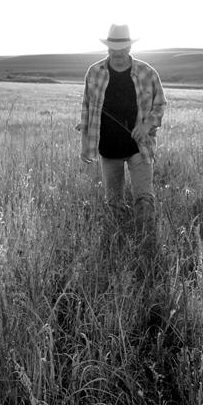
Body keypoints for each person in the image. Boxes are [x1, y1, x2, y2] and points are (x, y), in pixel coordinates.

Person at [77, 23, 167, 264]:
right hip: (108, 147)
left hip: (140, 147)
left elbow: (160, 105)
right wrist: (85, 143)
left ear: (129, 48)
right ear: (108, 48)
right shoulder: (94, 72)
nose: (117, 54)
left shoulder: (147, 72)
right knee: (113, 202)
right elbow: (86, 108)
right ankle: (116, 249)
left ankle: (147, 248)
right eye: (113, 50)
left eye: (122, 49)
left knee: (144, 199)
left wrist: (146, 126)